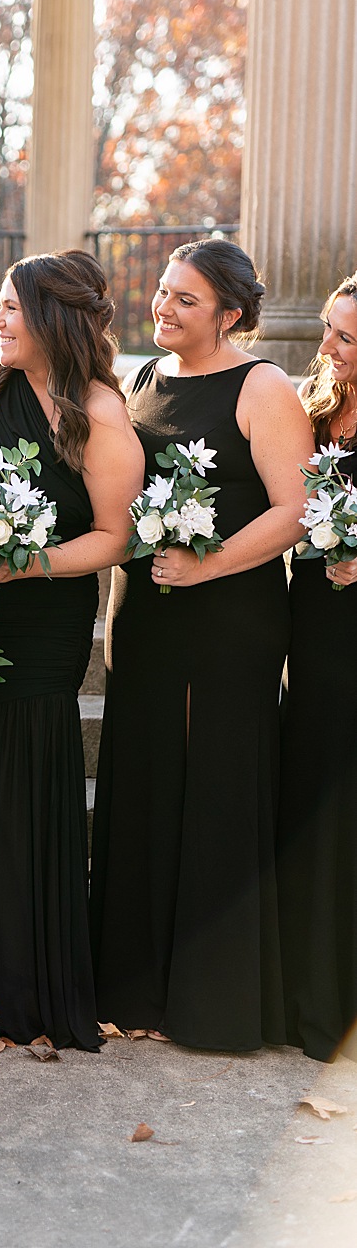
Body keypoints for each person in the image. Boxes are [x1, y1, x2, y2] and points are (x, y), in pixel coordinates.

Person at [91, 238, 310, 1051]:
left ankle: (213, 1002)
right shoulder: (145, 378)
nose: (164, 307)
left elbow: (295, 509)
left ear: (230, 313)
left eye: (186, 299)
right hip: (146, 614)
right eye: (163, 291)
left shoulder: (263, 387)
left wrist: (207, 564)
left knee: (212, 785)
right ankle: (137, 988)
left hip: (227, 619)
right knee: (148, 782)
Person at [0, 252, 142, 1051]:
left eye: (10, 308)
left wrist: (26, 562)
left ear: (52, 318)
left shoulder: (98, 411)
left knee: (21, 781)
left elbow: (115, 537)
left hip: (42, 624)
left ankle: (29, 979)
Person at [278, 273, 357, 1060]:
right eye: (330, 328)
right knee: (310, 788)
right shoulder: (313, 404)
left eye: (345, 337)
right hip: (313, 626)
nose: (326, 344)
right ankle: (306, 990)